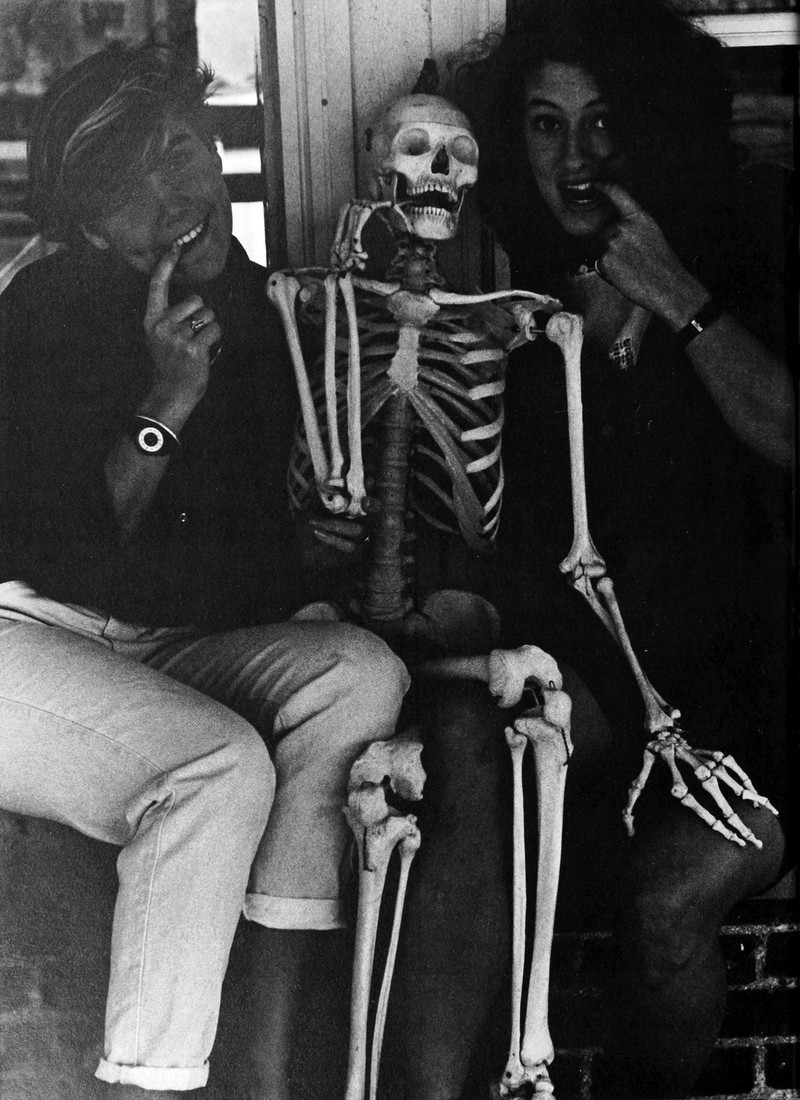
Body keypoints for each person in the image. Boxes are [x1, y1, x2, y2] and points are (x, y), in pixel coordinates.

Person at [0, 43, 409, 1098]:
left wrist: (302, 551)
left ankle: (261, 1062)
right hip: (25, 637)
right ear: (91, 225)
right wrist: (167, 400)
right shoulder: (47, 305)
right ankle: (151, 1081)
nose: (176, 193)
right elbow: (73, 551)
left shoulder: (261, 308)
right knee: (216, 767)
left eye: (183, 149)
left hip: (149, 649)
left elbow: (216, 567)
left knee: (354, 673)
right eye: (131, 180)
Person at [448, 0, 794, 1095]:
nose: (577, 158)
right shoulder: (523, 306)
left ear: (655, 125)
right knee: (475, 799)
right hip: (622, 674)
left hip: (766, 678)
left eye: (604, 122)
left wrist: (675, 296)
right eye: (545, 126)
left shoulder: (751, 244)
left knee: (665, 903)